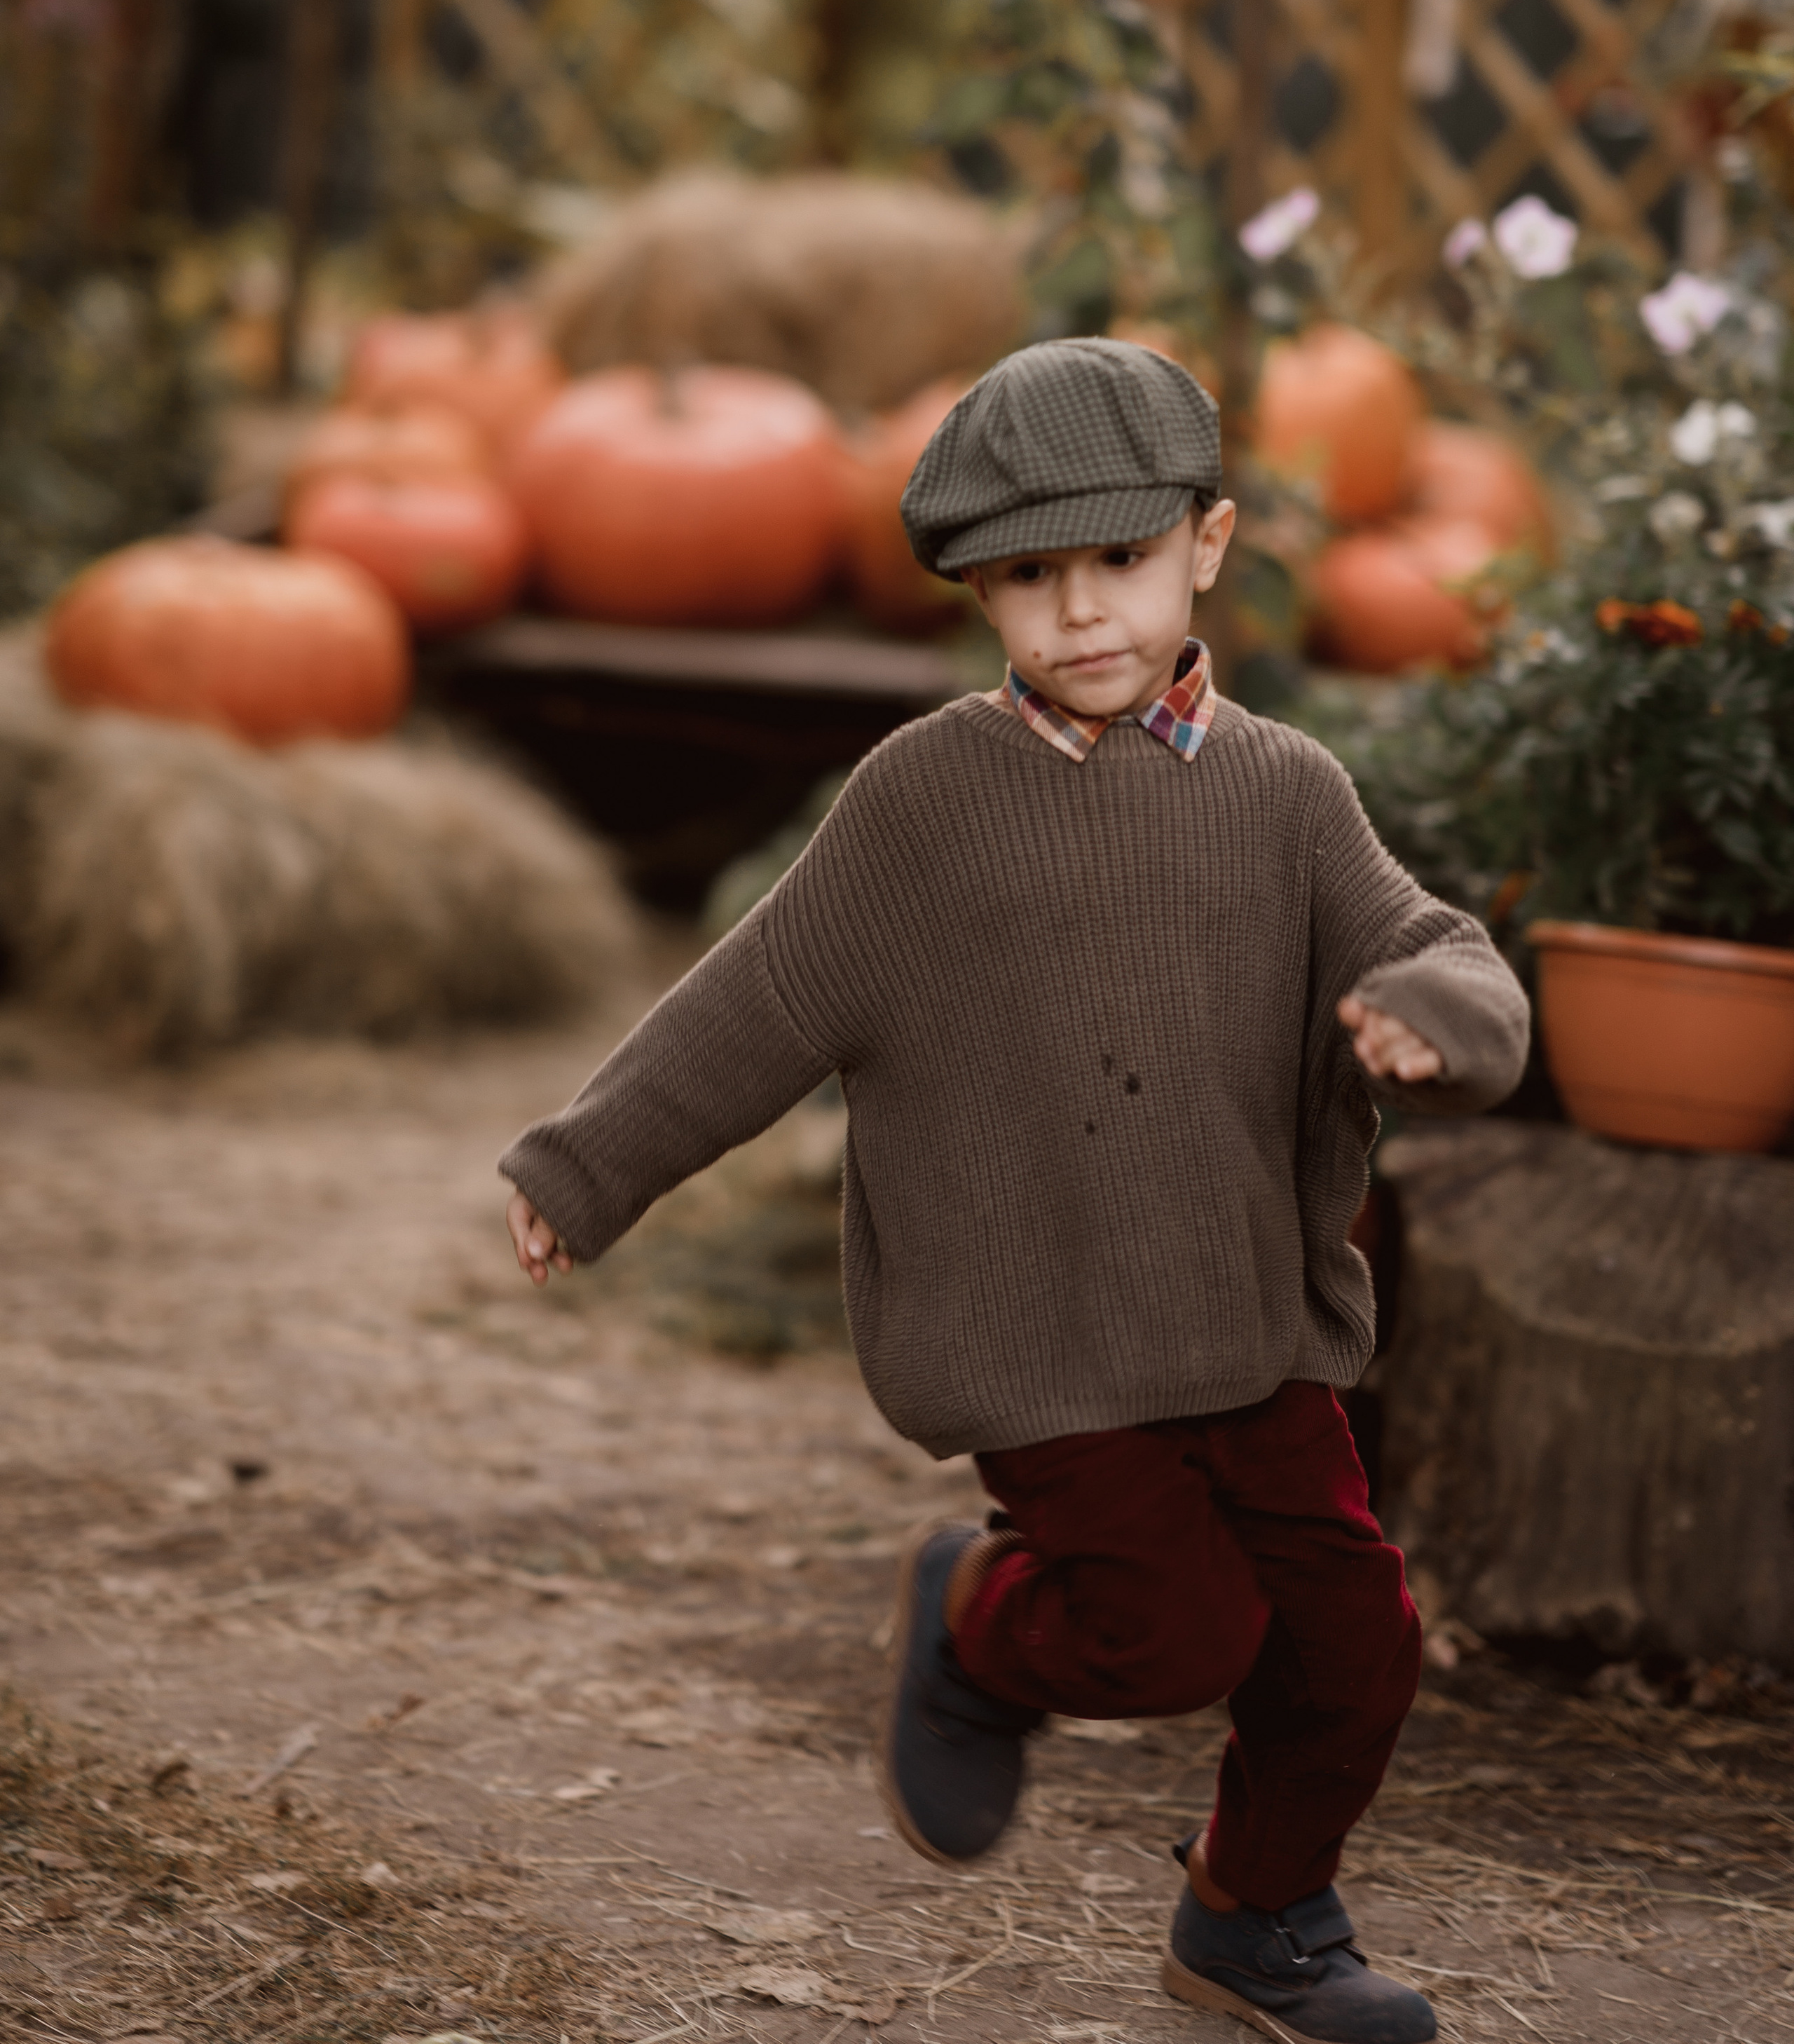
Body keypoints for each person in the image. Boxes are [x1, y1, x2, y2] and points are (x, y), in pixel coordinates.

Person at [500, 337, 1529, 2044]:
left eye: (1118, 557)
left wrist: (1431, 1018)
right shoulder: (922, 804)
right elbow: (761, 998)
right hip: (1043, 1331)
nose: (1079, 611)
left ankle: (1254, 1915)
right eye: (1028, 577)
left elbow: (1431, 944)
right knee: (1171, 1633)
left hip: (1248, 1327)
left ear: (1206, 543)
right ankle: (977, 1623)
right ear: (975, 590)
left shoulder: (1285, 796)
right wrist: (588, 1162)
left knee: (1351, 1646)